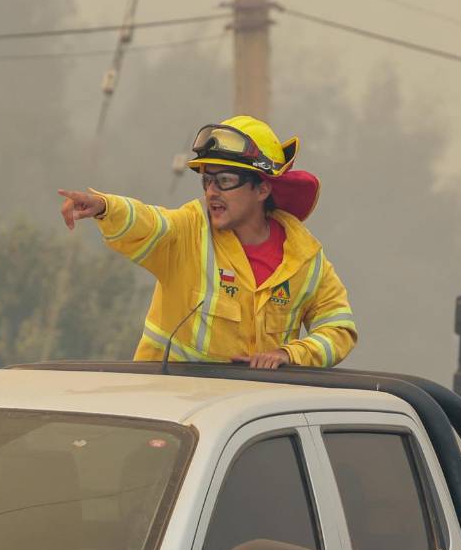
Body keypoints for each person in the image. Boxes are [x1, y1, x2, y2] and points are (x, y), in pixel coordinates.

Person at [57, 116, 357, 369]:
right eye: (207, 180)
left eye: (224, 181)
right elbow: (151, 222)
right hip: (171, 413)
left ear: (263, 188)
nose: (212, 191)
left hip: (251, 425)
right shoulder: (189, 229)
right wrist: (106, 207)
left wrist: (289, 355)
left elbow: (339, 328)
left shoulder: (305, 258)